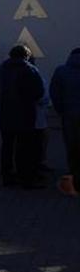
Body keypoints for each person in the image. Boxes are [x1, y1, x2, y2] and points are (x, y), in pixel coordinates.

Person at [0, 45, 46, 189]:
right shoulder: (30, 70)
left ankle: (7, 176)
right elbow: (39, 92)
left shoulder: (0, 69)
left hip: (5, 114)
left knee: (7, 147)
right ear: (26, 55)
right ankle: (25, 178)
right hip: (25, 115)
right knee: (24, 148)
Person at [50, 48, 80, 197]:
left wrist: (61, 110)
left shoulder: (61, 71)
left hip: (70, 117)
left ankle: (73, 176)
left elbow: (54, 94)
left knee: (72, 146)